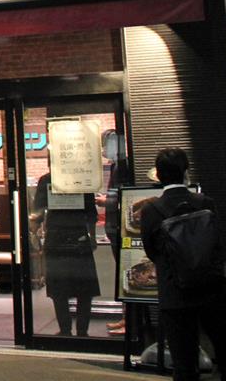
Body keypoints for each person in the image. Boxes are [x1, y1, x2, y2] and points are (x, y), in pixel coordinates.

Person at [140, 148, 226, 381]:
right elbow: (218, 242)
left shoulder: (151, 210)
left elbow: (151, 251)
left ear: (158, 175)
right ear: (186, 172)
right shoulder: (205, 202)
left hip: (175, 293)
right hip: (212, 289)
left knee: (184, 363)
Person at [31, 172, 100, 336]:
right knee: (84, 287)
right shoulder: (82, 176)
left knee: (58, 288)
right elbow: (91, 213)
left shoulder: (47, 179)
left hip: (55, 236)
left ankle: (65, 330)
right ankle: (82, 331)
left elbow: (38, 211)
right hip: (79, 235)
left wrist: (34, 230)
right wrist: (92, 236)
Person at [95, 129, 129, 335]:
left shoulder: (123, 166)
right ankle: (126, 318)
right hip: (114, 227)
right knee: (122, 273)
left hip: (119, 227)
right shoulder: (116, 165)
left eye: (106, 144)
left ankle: (129, 320)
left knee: (126, 273)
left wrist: (105, 200)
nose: (103, 149)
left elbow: (125, 194)